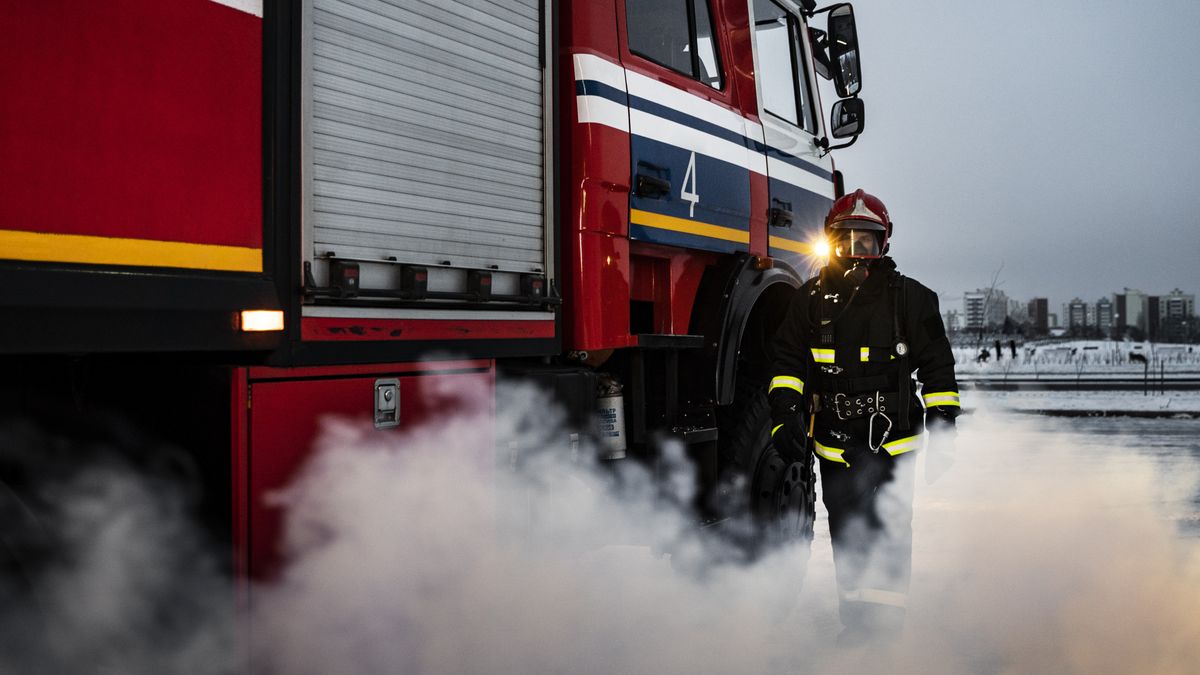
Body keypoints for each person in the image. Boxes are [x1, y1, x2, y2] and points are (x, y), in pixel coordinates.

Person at [767, 189, 959, 644]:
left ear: (884, 244)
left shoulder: (912, 299)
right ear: (830, 242)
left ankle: (886, 629)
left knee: (890, 527)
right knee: (847, 530)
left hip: (894, 440)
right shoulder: (809, 300)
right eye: (846, 240)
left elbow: (938, 366)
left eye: (866, 242)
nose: (856, 251)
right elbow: (786, 360)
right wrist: (783, 414)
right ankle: (856, 622)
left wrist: (945, 425)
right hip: (835, 440)